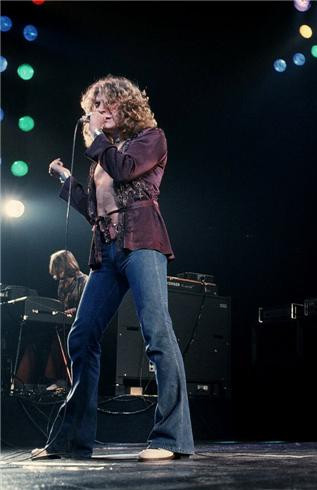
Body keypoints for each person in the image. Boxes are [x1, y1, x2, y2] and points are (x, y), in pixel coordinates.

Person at [36, 75, 194, 461]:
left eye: (108, 105)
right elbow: (95, 210)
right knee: (82, 334)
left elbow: (124, 170)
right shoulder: (100, 157)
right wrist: (67, 180)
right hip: (106, 251)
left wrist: (95, 140)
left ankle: (170, 439)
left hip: (142, 242)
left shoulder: (150, 139)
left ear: (126, 106)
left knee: (157, 332)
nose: (99, 112)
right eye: (95, 106)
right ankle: (72, 440)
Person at [14, 250, 87, 392]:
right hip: (62, 324)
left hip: (79, 325)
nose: (56, 274)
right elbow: (61, 306)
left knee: (58, 340)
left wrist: (73, 311)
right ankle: (21, 383)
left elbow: (87, 307)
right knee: (34, 340)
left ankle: (59, 382)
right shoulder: (62, 284)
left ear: (65, 265)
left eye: (57, 268)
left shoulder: (84, 281)